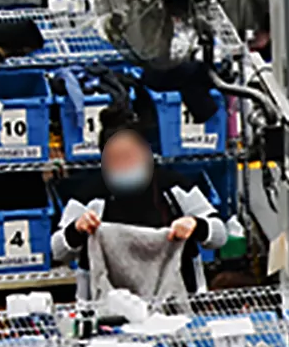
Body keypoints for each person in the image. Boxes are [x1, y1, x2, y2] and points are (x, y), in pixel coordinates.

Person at [52, 114, 227, 301]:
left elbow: (220, 235)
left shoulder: (174, 187)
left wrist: (196, 225)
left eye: (129, 156)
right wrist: (77, 229)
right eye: (115, 158)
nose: (124, 164)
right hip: (108, 305)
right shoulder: (90, 196)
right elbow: (57, 250)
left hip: (177, 300)